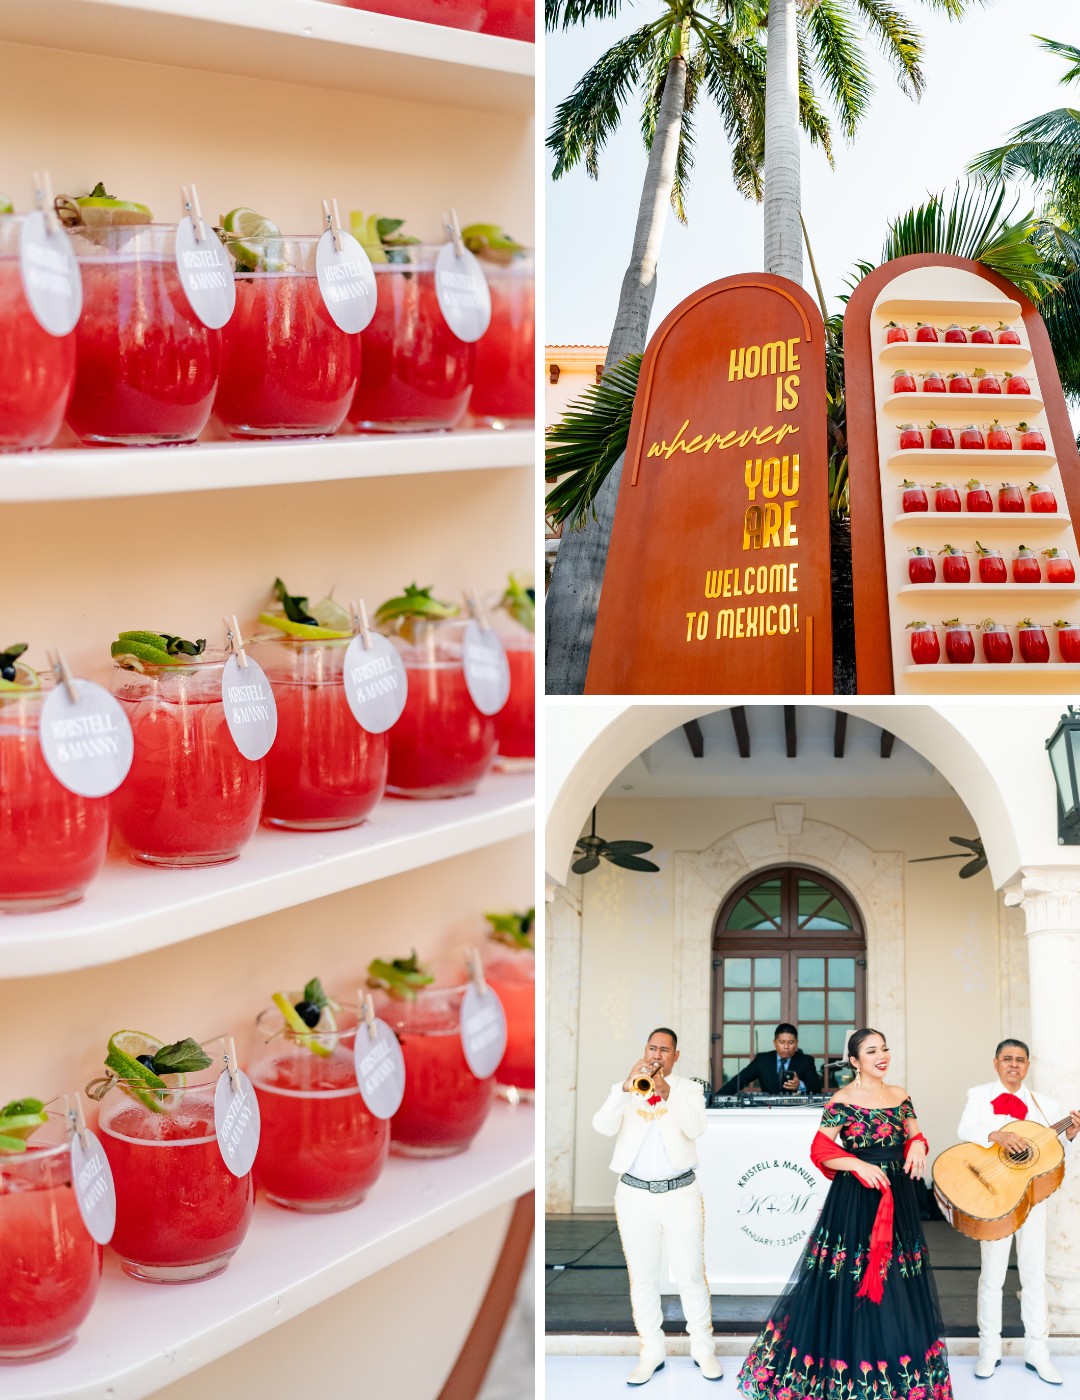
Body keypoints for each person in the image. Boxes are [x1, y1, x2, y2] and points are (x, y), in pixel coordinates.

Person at [737, 1027, 954, 1400]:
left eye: (884, 1048)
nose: (881, 1056)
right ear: (854, 1061)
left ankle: (894, 1373)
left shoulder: (900, 1096)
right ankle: (844, 1374)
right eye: (871, 1051)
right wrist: (855, 1164)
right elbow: (820, 1150)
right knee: (849, 1279)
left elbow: (915, 1134)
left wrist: (918, 1146)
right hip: (855, 1200)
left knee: (897, 1281)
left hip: (897, 1199)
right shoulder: (842, 1100)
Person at [593, 1026, 722, 1387]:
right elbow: (601, 1126)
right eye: (652, 1048)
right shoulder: (626, 1087)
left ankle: (702, 1347)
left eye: (664, 1050)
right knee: (643, 1277)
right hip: (634, 1194)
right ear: (644, 1050)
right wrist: (623, 1089)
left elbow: (696, 1128)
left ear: (675, 1056)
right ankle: (651, 1351)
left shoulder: (688, 1089)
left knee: (691, 1273)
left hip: (680, 1193)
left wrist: (666, 1094)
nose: (656, 1055)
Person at [957, 1037, 1080, 1386]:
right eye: (1007, 1059)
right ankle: (988, 1350)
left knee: (1034, 1274)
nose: (1014, 1065)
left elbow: (1056, 1158)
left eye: (1021, 1060)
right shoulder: (979, 1094)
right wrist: (995, 1134)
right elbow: (965, 1129)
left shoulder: (1045, 1105)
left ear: (1028, 1066)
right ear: (995, 1063)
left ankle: (1037, 1353)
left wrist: (1070, 1134)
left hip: (1032, 1198)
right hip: (995, 1197)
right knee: (992, 1276)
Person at [718, 1023, 823, 1095]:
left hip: (797, 1111)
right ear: (774, 1043)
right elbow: (739, 1081)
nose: (786, 1046)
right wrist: (715, 1099)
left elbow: (816, 1090)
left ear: (796, 1043)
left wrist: (800, 1085)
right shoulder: (762, 1060)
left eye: (791, 1042)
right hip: (768, 1111)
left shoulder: (806, 1061)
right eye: (782, 1042)